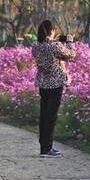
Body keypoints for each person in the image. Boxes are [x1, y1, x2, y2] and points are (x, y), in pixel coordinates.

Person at [31, 19, 76, 158]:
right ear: (51, 31)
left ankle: (43, 146)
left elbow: (50, 54)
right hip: (55, 83)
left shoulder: (35, 45)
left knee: (44, 114)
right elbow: (71, 55)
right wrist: (69, 41)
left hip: (43, 83)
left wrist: (58, 43)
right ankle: (47, 149)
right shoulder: (55, 46)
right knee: (51, 116)